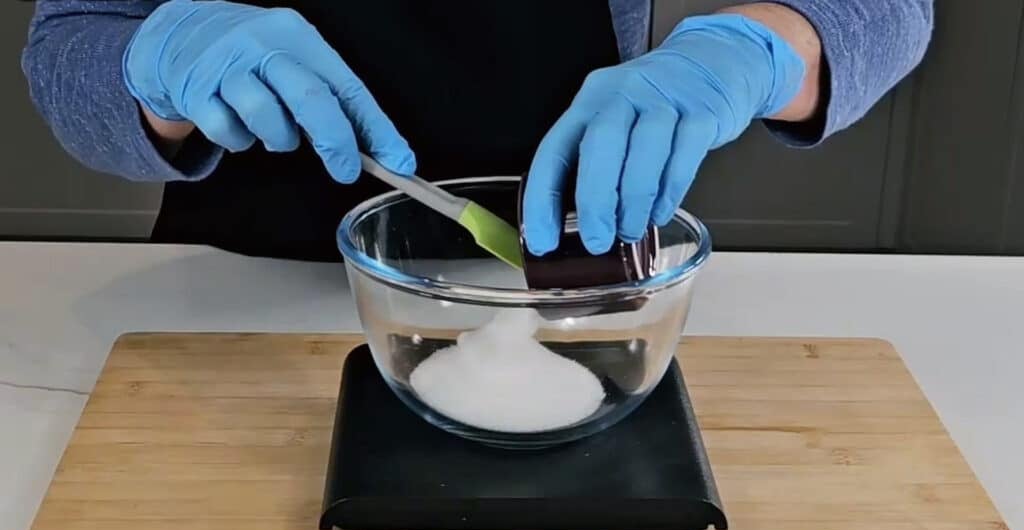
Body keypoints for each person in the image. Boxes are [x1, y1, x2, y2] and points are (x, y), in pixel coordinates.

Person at [23, 0, 933, 261]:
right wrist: (158, 66)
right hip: (234, 297)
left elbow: (887, 7)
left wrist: (754, 54)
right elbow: (68, 51)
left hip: (581, 281)